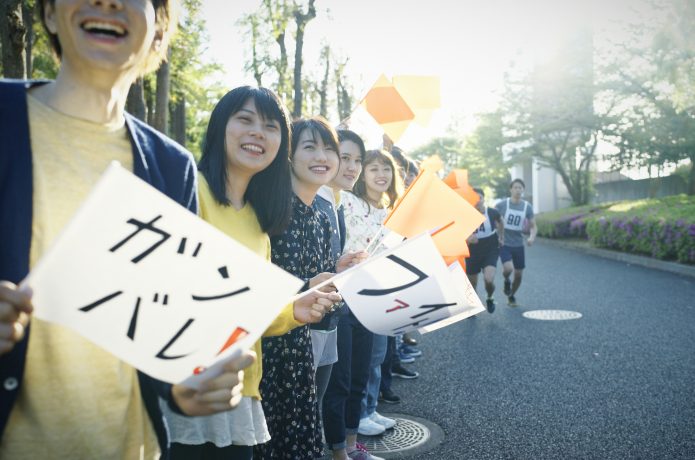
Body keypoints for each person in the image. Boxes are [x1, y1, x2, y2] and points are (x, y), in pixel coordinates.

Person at [0, 1, 253, 458]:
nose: (108, 2)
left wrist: (185, 383)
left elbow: (159, 327)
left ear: (159, 31)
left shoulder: (171, 166)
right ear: (51, 15)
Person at [161, 86, 340, 460]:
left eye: (271, 126)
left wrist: (294, 310)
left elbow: (247, 310)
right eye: (245, 119)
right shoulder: (189, 191)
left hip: (241, 388)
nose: (258, 132)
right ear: (220, 127)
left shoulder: (260, 221)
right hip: (185, 387)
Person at [257, 118, 361, 459]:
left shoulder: (319, 213)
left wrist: (336, 271)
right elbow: (257, 280)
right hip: (269, 354)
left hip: (303, 349)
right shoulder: (270, 208)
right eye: (310, 146)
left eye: (329, 148)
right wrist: (306, 286)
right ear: (289, 154)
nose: (322, 156)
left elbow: (314, 279)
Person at [495, 179, 537, 307]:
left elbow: (533, 226)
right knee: (508, 268)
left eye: (520, 188)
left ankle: (511, 295)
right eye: (515, 187)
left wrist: (531, 238)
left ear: (523, 190)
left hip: (518, 244)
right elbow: (491, 218)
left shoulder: (527, 207)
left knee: (518, 275)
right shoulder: (502, 204)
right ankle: (507, 280)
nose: (518, 190)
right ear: (511, 189)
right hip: (504, 242)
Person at [466, 188, 505, 313]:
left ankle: (489, 297)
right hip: (472, 251)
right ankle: (473, 305)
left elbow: (501, 222)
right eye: (474, 199)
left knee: (489, 280)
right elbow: (458, 233)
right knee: (472, 284)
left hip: (490, 248)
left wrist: (501, 236)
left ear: (484, 199)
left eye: (480, 198)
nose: (477, 201)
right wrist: (467, 239)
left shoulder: (492, 212)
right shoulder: (466, 214)